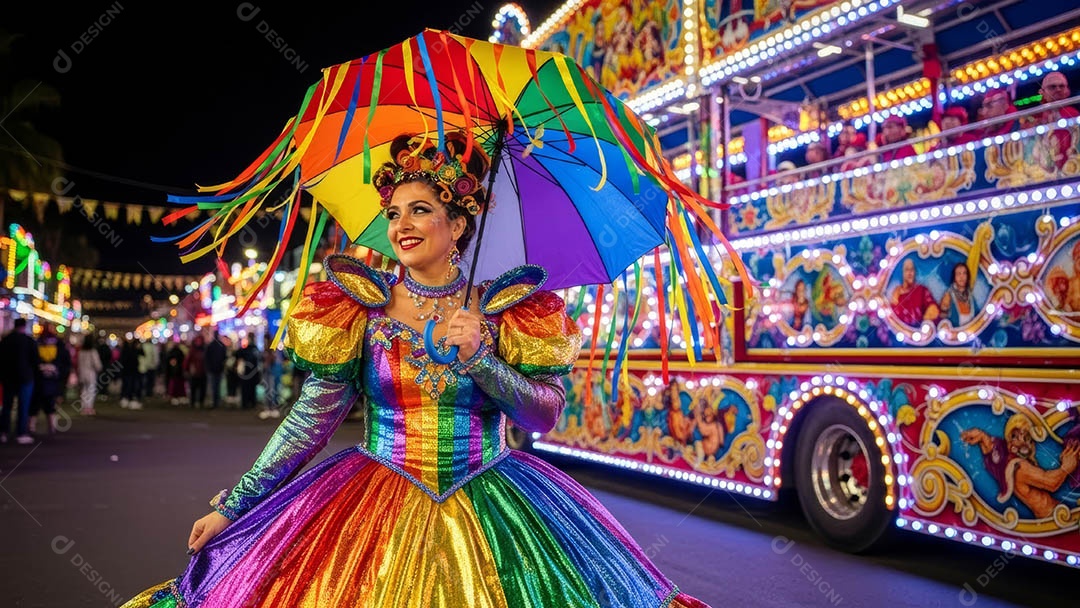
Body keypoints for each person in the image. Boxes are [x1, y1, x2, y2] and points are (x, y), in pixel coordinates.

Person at [120, 132, 711, 607]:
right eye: (394, 212)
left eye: (421, 210)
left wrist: (482, 358)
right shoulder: (359, 307)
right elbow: (310, 421)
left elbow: (544, 415)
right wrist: (235, 505)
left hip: (497, 497)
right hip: (374, 497)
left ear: (459, 225)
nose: (401, 225)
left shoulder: (508, 311)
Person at [0, 318, 40, 445]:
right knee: (23, 407)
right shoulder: (29, 341)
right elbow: (35, 361)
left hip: (8, 378)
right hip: (25, 377)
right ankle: (21, 433)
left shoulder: (6, 340)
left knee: (7, 406)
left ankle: (3, 432)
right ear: (24, 326)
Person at [29, 323, 71, 435]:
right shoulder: (58, 344)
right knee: (48, 404)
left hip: (41, 379)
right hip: (49, 379)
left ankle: (34, 427)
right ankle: (50, 427)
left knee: (38, 404)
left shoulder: (38, 343)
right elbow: (66, 362)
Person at [890, 258, 939, 327]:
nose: (910, 273)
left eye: (912, 270)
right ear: (902, 273)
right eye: (907, 270)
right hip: (900, 330)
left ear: (915, 272)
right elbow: (892, 316)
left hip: (918, 329)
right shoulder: (896, 293)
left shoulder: (922, 290)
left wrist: (926, 320)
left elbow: (933, 308)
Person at [939, 262, 976, 327]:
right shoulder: (948, 295)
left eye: (964, 273)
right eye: (958, 274)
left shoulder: (970, 296)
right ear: (954, 277)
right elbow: (942, 318)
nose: (962, 277)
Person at [77, 335, 104, 415]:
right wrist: (99, 368)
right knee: (91, 390)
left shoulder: (81, 352)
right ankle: (89, 407)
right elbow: (97, 364)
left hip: (82, 373)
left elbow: (79, 363)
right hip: (91, 373)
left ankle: (84, 407)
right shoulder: (93, 351)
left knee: (84, 390)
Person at [235, 332, 261, 410]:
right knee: (250, 389)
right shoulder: (255, 349)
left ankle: (247, 403)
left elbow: (238, 354)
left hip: (248, 372)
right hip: (251, 372)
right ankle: (250, 403)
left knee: (247, 388)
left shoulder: (248, 349)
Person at [204, 331, 227, 409]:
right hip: (217, 369)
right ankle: (216, 401)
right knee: (216, 386)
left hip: (215, 369)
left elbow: (207, 358)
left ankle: (215, 401)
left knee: (214, 386)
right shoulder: (220, 345)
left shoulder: (211, 345)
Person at [184, 335, 208, 409]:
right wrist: (186, 369)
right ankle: (192, 402)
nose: (198, 342)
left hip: (203, 373)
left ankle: (201, 402)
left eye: (200, 341)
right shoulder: (192, 350)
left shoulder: (205, 350)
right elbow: (187, 361)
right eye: (197, 341)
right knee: (193, 389)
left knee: (202, 389)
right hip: (194, 373)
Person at [165, 340, 188, 406]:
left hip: (174, 373)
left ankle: (174, 397)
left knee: (174, 386)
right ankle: (178, 397)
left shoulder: (171, 353)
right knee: (178, 386)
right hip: (179, 372)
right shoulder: (180, 352)